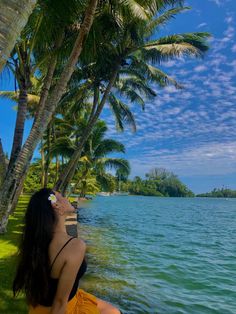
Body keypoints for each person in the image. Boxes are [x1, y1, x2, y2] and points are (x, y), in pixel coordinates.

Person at [13, 188, 121, 314]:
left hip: (38, 308)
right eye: (62, 196)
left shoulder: (36, 241)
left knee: (112, 310)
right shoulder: (75, 246)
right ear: (57, 206)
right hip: (63, 308)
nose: (66, 198)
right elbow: (59, 303)